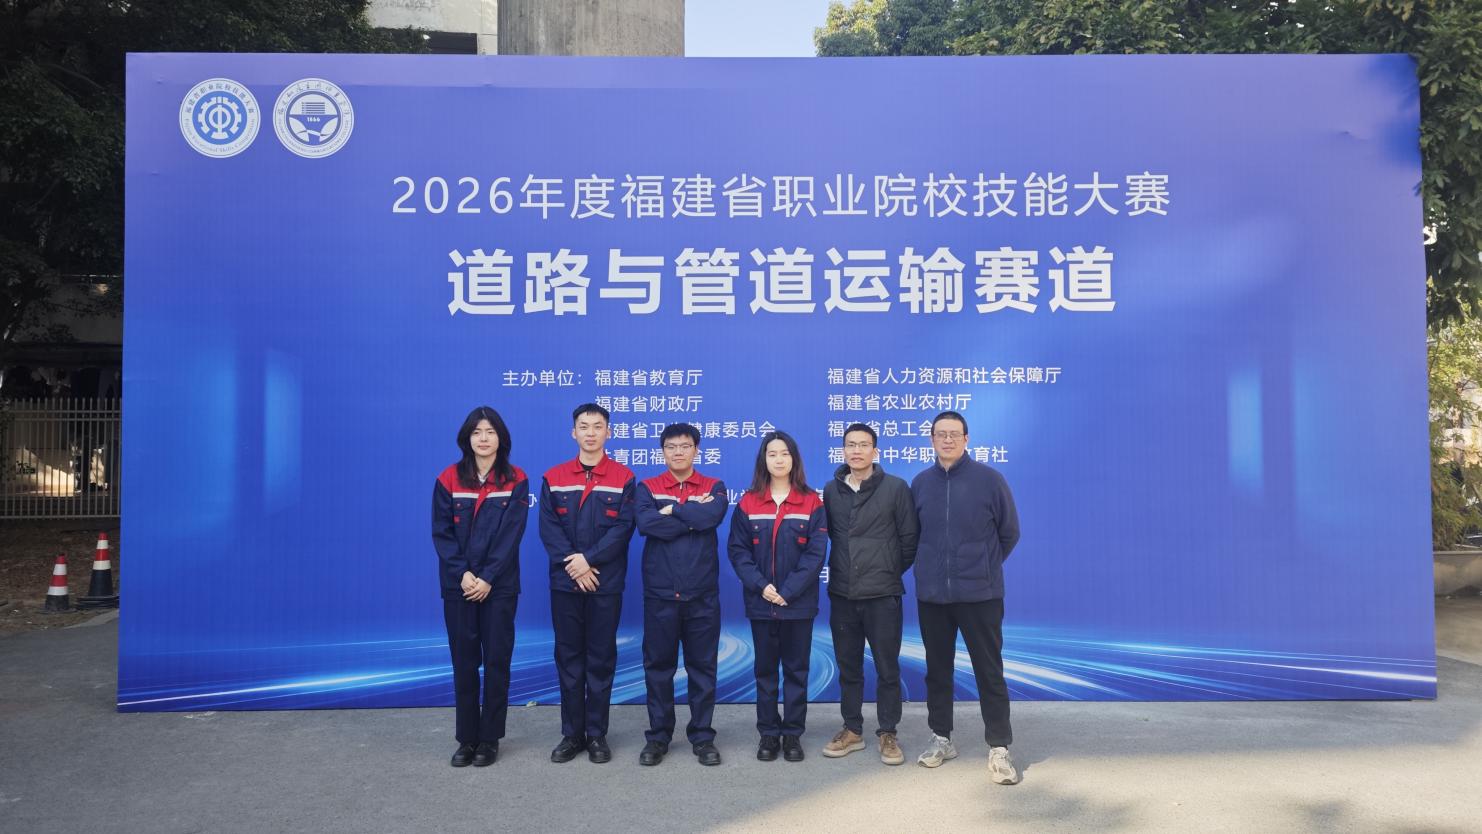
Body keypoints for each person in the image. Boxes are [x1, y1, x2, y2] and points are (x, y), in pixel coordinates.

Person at [910, 411, 1022, 785]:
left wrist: (982, 566)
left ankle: (999, 747)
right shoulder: (920, 483)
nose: (947, 440)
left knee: (989, 671)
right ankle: (941, 738)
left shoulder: (989, 480)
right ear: (931, 439)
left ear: (966, 439)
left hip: (980, 595)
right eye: (940, 434)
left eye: (954, 434)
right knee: (937, 670)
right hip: (932, 596)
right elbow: (912, 536)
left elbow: (1009, 532)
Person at [430, 406, 529, 767]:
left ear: (501, 438)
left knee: (497, 662)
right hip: (459, 586)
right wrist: (463, 574)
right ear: (466, 438)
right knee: (464, 663)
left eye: (490, 432)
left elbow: (511, 534)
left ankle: (489, 739)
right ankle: (466, 738)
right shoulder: (448, 479)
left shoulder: (516, 479)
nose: (483, 438)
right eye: (476, 432)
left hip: (499, 587)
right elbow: (441, 533)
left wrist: (487, 577)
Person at [539, 403, 637, 765]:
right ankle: (572, 734)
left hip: (604, 584)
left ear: (608, 432)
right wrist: (575, 565)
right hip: (565, 582)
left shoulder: (624, 477)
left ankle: (596, 734)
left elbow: (623, 528)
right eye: (584, 426)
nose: (591, 433)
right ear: (573, 432)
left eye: (598, 426)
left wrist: (589, 560)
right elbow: (549, 528)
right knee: (568, 658)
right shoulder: (554, 477)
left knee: (600, 658)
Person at [820, 422, 918, 766]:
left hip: (882, 595)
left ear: (875, 451)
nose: (857, 450)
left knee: (887, 668)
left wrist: (887, 571)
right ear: (843, 450)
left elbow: (909, 540)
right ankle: (852, 729)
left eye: (864, 445)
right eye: (851, 444)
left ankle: (888, 732)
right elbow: (830, 536)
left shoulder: (896, 488)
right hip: (843, 594)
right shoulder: (831, 490)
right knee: (848, 667)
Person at [726, 431, 827, 763]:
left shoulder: (811, 502)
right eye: (772, 454)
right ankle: (769, 734)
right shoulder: (749, 502)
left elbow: (816, 554)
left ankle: (793, 734)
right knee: (765, 672)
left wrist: (788, 591)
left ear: (794, 459)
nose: (779, 459)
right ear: (764, 460)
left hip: (798, 604)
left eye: (785, 453)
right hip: (761, 603)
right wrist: (761, 586)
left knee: (797, 671)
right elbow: (738, 550)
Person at [633, 423, 729, 766]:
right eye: (671, 447)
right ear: (662, 452)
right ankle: (658, 737)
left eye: (685, 446)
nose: (678, 452)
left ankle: (702, 737)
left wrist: (673, 509)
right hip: (660, 595)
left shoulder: (713, 486)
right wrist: (693, 515)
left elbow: (712, 517)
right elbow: (647, 524)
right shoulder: (648, 487)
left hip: (702, 595)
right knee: (658, 668)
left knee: (702, 668)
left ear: (696, 450)